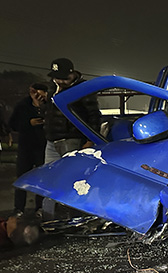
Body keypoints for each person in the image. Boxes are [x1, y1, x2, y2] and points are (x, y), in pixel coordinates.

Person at [44, 58, 101, 163]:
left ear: (72, 74)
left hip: (72, 139)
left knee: (70, 172)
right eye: (57, 78)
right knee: (50, 174)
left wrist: (90, 140)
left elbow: (94, 115)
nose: (60, 81)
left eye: (64, 78)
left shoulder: (83, 87)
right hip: (52, 139)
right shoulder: (52, 86)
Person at [9, 83, 49, 214]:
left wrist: (40, 107)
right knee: (22, 177)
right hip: (26, 145)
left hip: (43, 145)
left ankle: (40, 207)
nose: (41, 95)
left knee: (42, 178)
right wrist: (28, 123)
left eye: (44, 92)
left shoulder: (49, 105)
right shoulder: (23, 105)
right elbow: (13, 124)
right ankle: (19, 208)